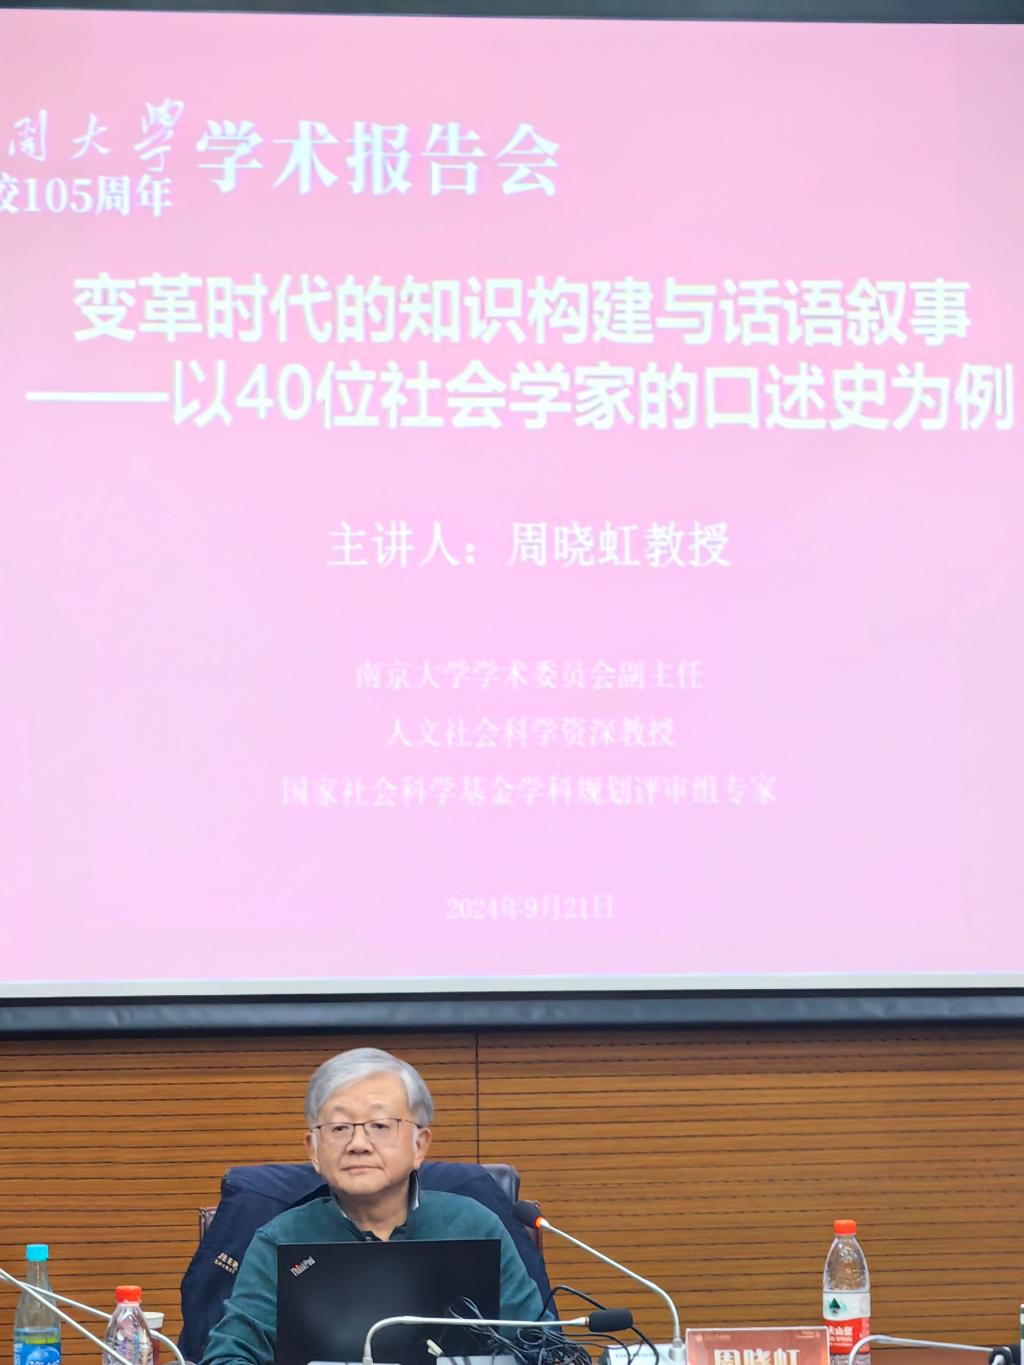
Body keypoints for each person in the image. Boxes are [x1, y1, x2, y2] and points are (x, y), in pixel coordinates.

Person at [201, 1048, 546, 1365]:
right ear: (313, 1150)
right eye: (339, 1128)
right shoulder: (279, 1240)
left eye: (380, 1126)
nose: (358, 1144)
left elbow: (539, 1346)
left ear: (420, 1145)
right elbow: (229, 1356)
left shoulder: (474, 1226)